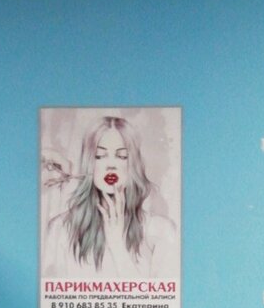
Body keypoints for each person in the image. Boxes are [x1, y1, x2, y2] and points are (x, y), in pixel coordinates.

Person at [43, 115, 177, 279]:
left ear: (133, 164)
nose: (111, 165)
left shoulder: (161, 230)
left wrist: (117, 245)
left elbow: (160, 295)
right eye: (100, 156)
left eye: (122, 156)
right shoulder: (60, 228)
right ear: (89, 162)